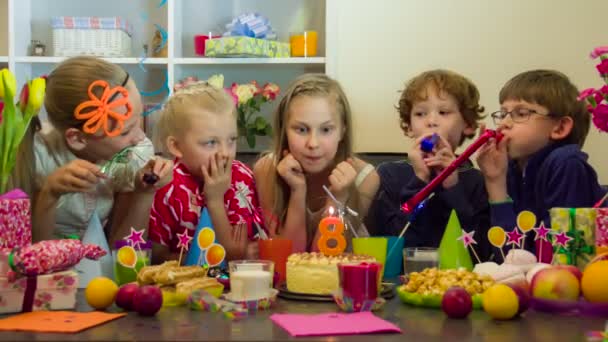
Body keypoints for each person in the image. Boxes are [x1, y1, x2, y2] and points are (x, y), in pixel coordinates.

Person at [477, 69, 606, 260]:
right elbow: (509, 258)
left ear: (560, 128)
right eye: (503, 113)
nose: (504, 123)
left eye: (520, 113)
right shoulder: (510, 167)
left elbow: (563, 259)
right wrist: (495, 182)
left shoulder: (566, 163)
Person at [368, 69, 491, 261]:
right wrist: (419, 181)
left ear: (467, 124)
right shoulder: (390, 175)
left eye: (443, 112)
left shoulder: (476, 180)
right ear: (409, 126)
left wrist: (452, 188)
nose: (431, 121)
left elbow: (477, 252)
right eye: (420, 113)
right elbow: (394, 244)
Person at [254, 73, 378, 253]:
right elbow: (289, 257)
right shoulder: (266, 170)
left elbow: (324, 259)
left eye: (326, 129)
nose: (313, 143)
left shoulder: (365, 178)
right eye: (301, 129)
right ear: (285, 129)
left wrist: (338, 198)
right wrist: (297, 191)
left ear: (343, 130)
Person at [149, 81, 267, 263]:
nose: (225, 153)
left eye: (231, 140)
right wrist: (214, 199)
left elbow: (241, 249)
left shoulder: (242, 177)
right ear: (176, 146)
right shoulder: (166, 185)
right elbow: (156, 257)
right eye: (211, 143)